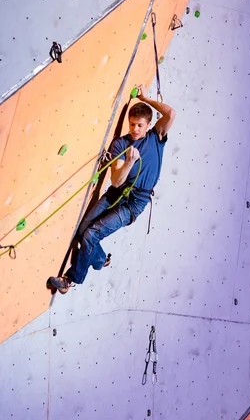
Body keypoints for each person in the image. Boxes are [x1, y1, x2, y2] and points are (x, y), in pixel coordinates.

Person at [47, 86, 176, 294]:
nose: (135, 129)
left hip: (134, 204)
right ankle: (99, 260)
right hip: (117, 193)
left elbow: (170, 113)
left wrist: (144, 98)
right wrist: (128, 163)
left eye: (139, 125)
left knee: (91, 235)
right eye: (132, 124)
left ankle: (70, 280)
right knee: (82, 231)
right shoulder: (120, 145)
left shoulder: (156, 138)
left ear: (149, 125)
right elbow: (116, 181)